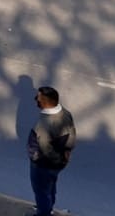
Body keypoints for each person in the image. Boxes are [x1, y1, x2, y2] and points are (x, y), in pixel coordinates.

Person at [28, 86, 77, 216]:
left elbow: (45, 149)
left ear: (45, 101)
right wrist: (66, 153)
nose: (36, 100)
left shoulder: (44, 124)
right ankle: (47, 206)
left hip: (43, 164)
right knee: (50, 186)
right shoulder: (65, 113)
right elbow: (71, 134)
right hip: (59, 161)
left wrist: (52, 160)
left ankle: (44, 211)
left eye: (38, 98)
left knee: (41, 191)